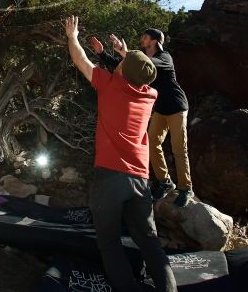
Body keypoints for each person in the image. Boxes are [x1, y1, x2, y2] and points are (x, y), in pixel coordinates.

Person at [65, 16, 177, 292]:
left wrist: (72, 36)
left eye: (123, 62)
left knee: (109, 242)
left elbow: (81, 61)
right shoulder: (149, 94)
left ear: (124, 72)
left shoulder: (111, 86)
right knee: (149, 240)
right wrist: (122, 54)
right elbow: (141, 71)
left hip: (110, 176)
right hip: (140, 178)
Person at [91, 28, 193, 206]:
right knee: (152, 143)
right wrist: (102, 53)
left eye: (145, 37)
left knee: (179, 149)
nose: (142, 39)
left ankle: (186, 189)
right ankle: (165, 181)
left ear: (154, 41)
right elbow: (123, 67)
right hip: (161, 108)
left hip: (177, 107)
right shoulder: (141, 59)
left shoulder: (165, 57)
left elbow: (146, 63)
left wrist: (125, 52)